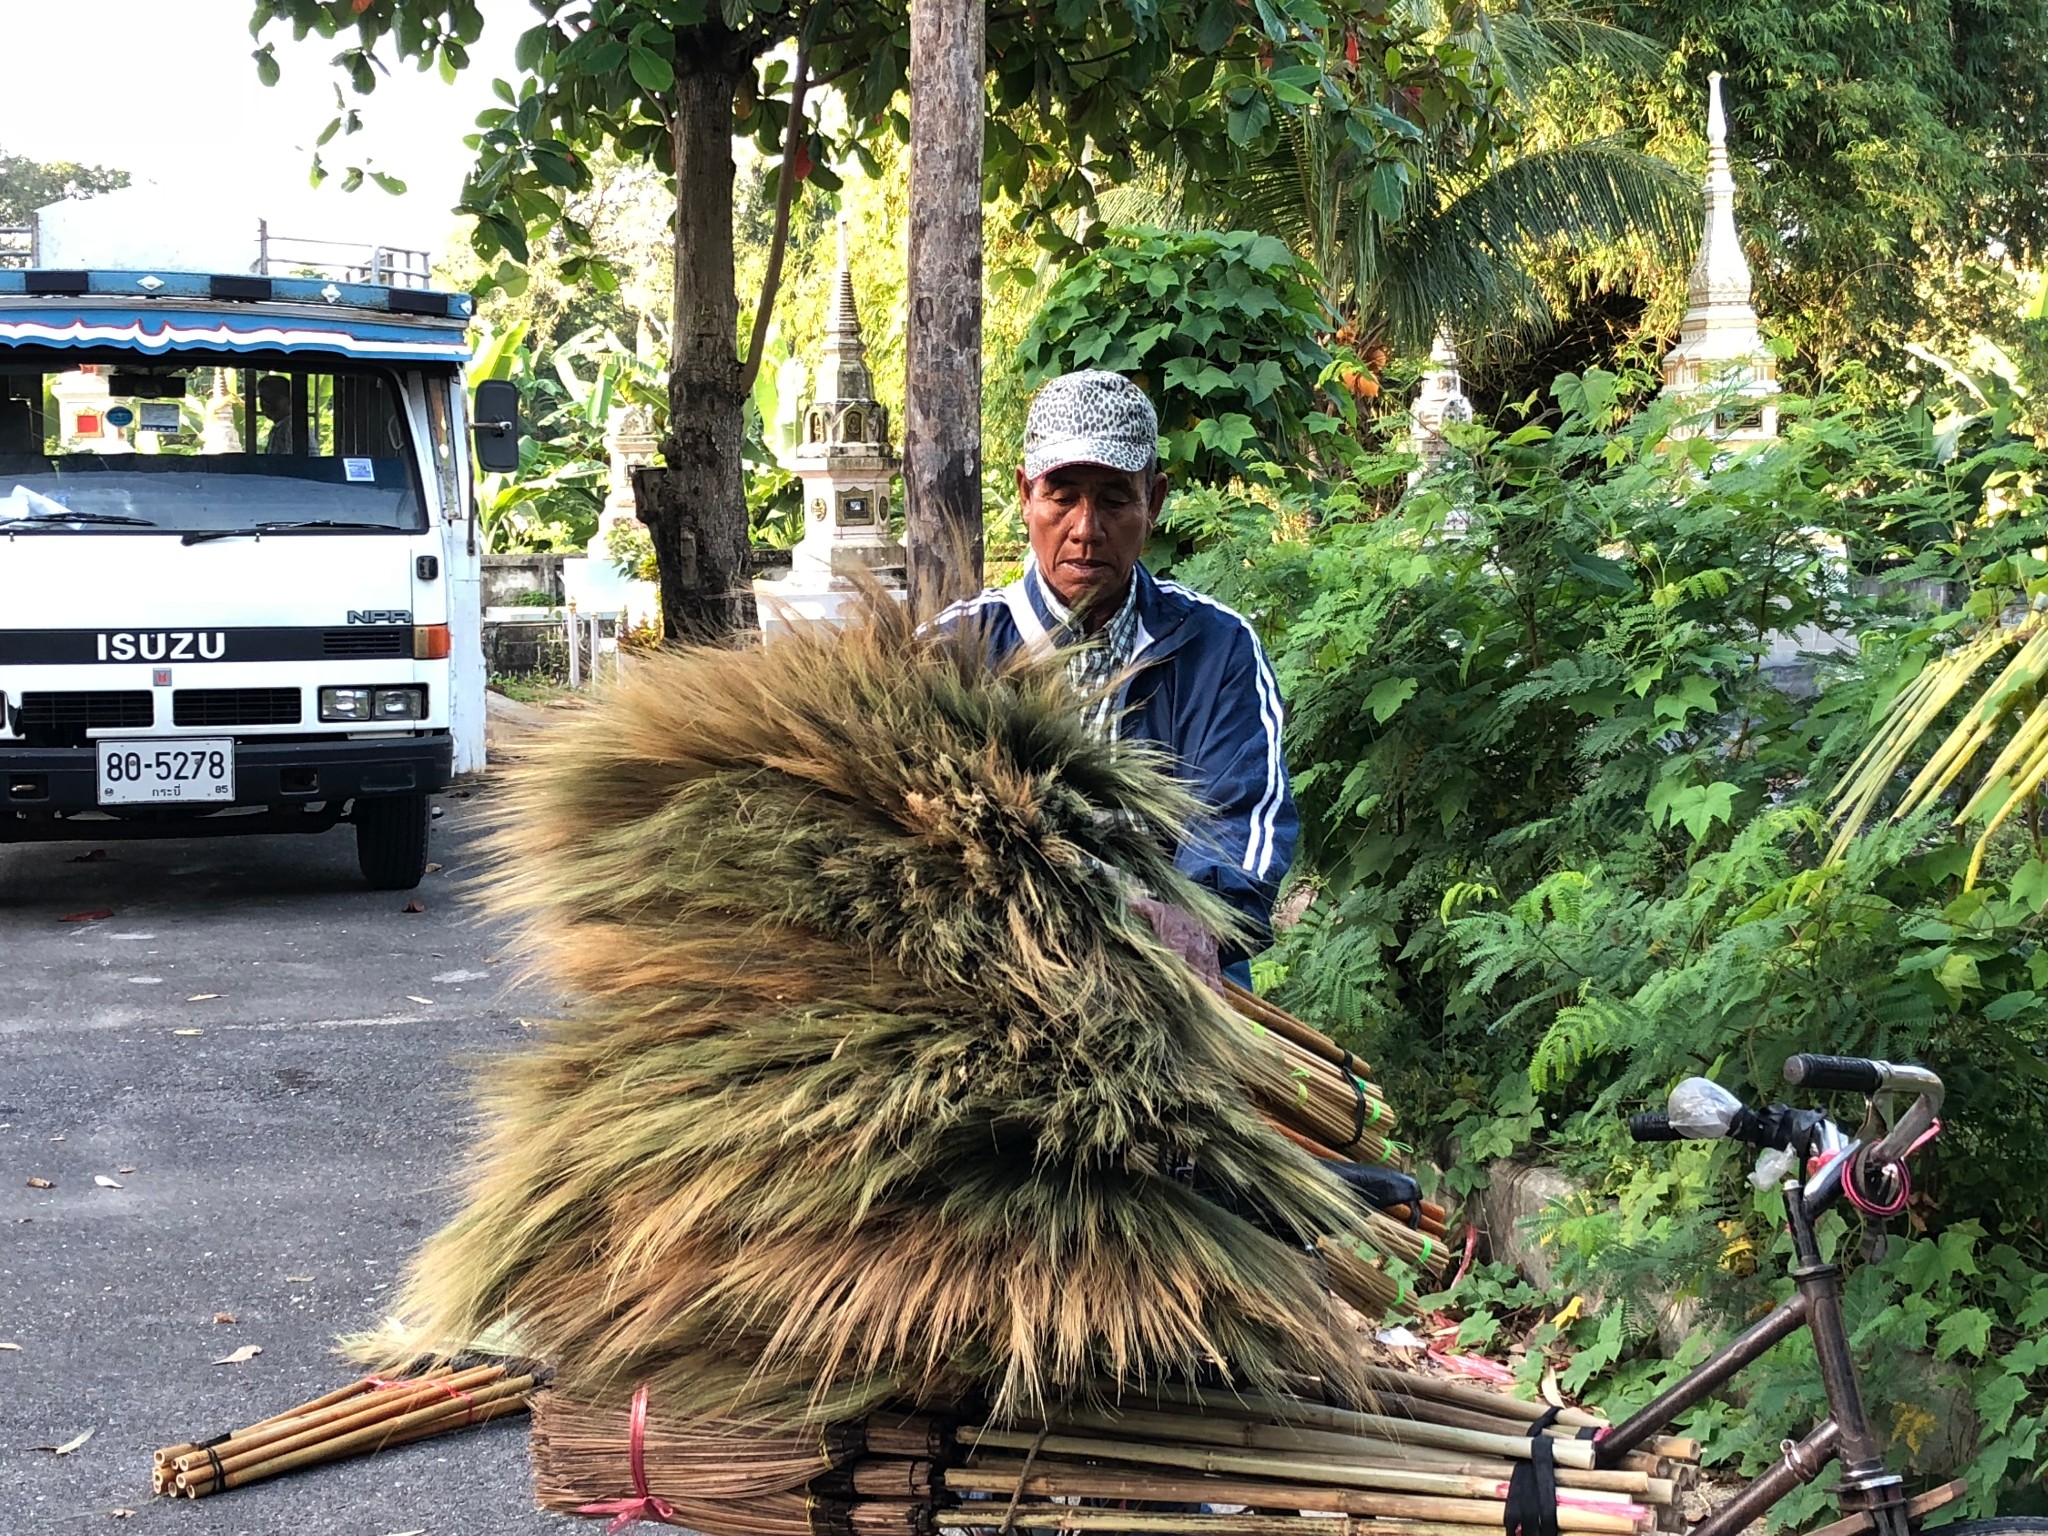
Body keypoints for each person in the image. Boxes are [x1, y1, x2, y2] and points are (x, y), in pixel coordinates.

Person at [937, 369, 1296, 989]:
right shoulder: (952, 650)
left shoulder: (1217, 651)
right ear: (1025, 495)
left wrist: (1192, 922)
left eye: (1113, 498)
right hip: (993, 976)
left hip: (1175, 981)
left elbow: (1243, 822)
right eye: (1062, 495)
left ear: (1152, 502)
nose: (1085, 528)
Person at [255, 375, 295, 455]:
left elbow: (288, 465)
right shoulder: (282, 427)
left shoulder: (289, 427)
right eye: (262, 398)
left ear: (289, 400)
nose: (265, 403)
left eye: (273, 397)